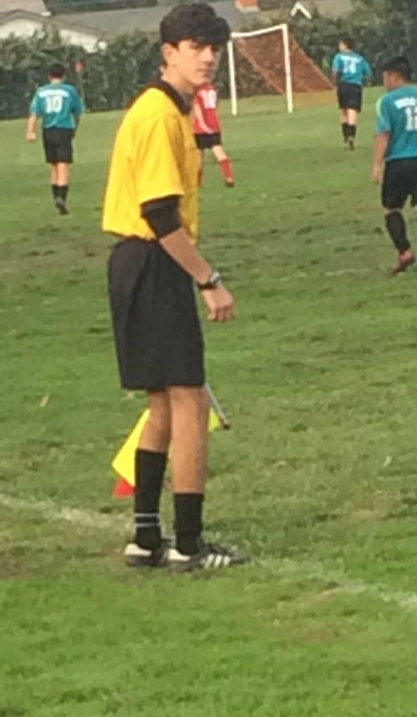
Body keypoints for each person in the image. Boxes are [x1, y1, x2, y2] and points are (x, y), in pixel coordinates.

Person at [102, 2, 247, 572]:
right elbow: (161, 214)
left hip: (132, 262)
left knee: (162, 402)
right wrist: (208, 280)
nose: (208, 57)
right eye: (196, 47)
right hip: (152, 258)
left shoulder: (169, 110)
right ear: (169, 53)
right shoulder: (160, 113)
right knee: (189, 400)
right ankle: (190, 543)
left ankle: (145, 537)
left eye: (214, 47)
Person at [372, 56, 417, 275]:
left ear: (395, 76)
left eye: (385, 77)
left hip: (399, 161)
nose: (384, 82)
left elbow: (384, 134)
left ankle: (404, 251)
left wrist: (376, 164)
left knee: (391, 208)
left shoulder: (387, 101)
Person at [26, 63, 84, 215]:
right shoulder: (69, 90)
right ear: (63, 76)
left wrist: (30, 131)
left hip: (48, 130)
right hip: (64, 129)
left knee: (53, 165)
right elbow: (77, 112)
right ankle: (62, 198)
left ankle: (55, 197)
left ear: (49, 76)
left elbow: (34, 114)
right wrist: (75, 128)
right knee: (63, 164)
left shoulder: (41, 91)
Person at [331, 37, 372, 150]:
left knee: (344, 110)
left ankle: (345, 135)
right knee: (352, 110)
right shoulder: (359, 58)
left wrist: (335, 83)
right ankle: (351, 135)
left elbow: (336, 71)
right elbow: (368, 73)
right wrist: (366, 81)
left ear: (344, 45)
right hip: (356, 85)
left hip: (343, 85)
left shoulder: (339, 57)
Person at [193, 82, 234, 186]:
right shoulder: (212, 89)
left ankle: (197, 183)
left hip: (200, 129)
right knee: (219, 152)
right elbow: (214, 106)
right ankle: (229, 178)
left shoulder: (196, 91)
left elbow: (197, 108)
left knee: (198, 158)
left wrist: (202, 124)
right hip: (214, 125)